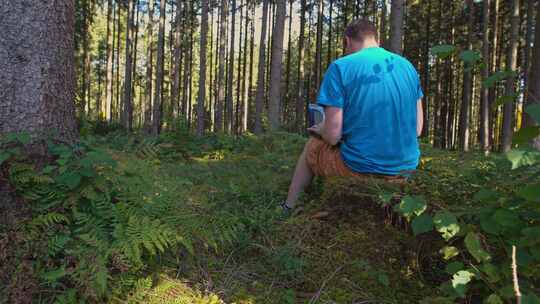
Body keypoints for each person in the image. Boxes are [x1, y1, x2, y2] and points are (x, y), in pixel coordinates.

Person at [281, 19, 424, 213]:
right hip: (405, 171)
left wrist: (322, 128)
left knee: (312, 145)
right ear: (376, 39)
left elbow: (332, 136)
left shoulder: (341, 67)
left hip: (359, 169)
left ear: (347, 41)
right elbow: (417, 129)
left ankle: (289, 206)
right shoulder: (408, 67)